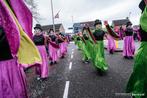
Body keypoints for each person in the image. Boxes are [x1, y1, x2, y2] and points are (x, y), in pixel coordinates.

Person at [0, 0, 41, 98]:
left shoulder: (11, 24)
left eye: (37, 30)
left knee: (16, 91)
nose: (36, 31)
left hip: (11, 63)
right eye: (35, 30)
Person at [126, 0, 147, 97]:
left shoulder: (133, 27)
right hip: (129, 40)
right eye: (129, 25)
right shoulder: (127, 28)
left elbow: (137, 31)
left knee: (133, 48)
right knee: (141, 71)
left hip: (134, 40)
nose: (130, 25)